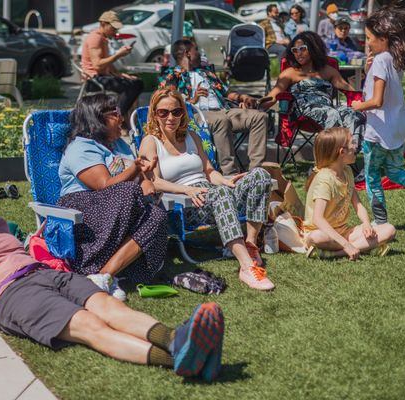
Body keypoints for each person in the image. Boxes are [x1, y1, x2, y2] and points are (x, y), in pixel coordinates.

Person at [0, 167, 225, 383]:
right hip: (11, 294)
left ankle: (175, 339)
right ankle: (181, 360)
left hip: (46, 274)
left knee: (110, 307)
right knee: (90, 325)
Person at [139, 89, 275, 291]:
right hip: (187, 205)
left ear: (183, 113)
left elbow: (209, 171)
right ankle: (247, 267)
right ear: (154, 114)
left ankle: (250, 244)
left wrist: (226, 181)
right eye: (163, 112)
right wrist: (187, 190)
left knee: (259, 175)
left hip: (214, 193)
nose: (170, 117)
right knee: (220, 193)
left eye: (176, 112)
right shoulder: (151, 142)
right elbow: (154, 182)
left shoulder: (191, 137)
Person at [57, 93, 168, 300]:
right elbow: (103, 185)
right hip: (82, 209)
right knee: (128, 190)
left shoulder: (119, 145)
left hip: (118, 208)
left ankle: (103, 276)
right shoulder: (81, 147)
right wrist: (135, 169)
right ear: (97, 117)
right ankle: (93, 268)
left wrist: (146, 182)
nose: (122, 118)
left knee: (157, 216)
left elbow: (138, 177)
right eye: (116, 113)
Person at [159, 39, 268, 176]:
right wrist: (193, 100)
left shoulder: (206, 73)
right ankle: (230, 173)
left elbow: (226, 93)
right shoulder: (172, 75)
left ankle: (256, 172)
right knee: (220, 120)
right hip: (195, 114)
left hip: (223, 110)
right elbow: (167, 101)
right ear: (187, 53)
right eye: (196, 49)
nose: (200, 53)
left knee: (259, 117)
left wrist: (243, 97)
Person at [350, 7, 405, 224]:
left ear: (383, 38)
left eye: (369, 38)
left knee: (372, 176)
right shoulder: (394, 58)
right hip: (396, 126)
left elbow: (376, 101)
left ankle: (380, 222)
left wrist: (358, 106)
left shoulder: (381, 60)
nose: (367, 43)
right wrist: (368, 71)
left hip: (378, 131)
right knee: (395, 172)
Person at [303, 128, 395, 260]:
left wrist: (367, 224)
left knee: (389, 229)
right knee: (316, 237)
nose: (356, 146)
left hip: (344, 231)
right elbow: (318, 219)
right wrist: (345, 244)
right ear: (342, 152)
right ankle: (362, 247)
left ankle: (335, 253)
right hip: (323, 233)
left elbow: (358, 205)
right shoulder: (325, 179)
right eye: (352, 143)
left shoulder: (347, 171)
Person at [260, 31, 366, 147]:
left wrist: (363, 102)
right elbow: (273, 96)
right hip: (303, 113)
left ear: (313, 48)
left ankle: (352, 150)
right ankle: (332, 153)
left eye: (302, 49)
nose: (298, 53)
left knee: (355, 115)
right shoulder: (290, 73)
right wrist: (257, 104)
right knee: (333, 114)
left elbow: (350, 91)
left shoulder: (328, 71)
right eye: (295, 50)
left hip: (328, 109)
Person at [80, 10, 143, 126]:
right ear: (103, 24)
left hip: (102, 77)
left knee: (135, 82)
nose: (115, 31)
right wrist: (118, 55)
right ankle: (117, 119)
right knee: (135, 86)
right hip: (94, 80)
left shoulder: (102, 38)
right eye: (113, 28)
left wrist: (120, 74)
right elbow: (98, 65)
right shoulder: (95, 38)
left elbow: (106, 63)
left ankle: (129, 121)